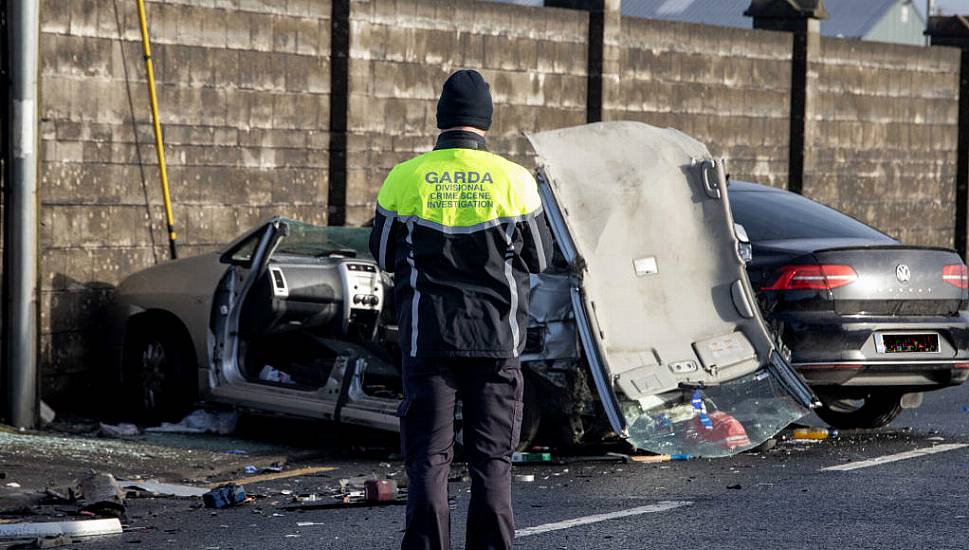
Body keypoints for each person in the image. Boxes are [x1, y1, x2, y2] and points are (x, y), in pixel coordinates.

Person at [369, 69, 553, 550]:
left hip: (427, 341)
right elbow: (541, 256)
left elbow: (384, 252)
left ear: (441, 118)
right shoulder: (514, 181)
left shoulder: (404, 178)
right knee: (492, 461)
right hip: (496, 342)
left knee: (429, 458)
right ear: (485, 121)